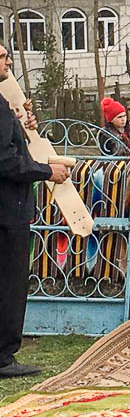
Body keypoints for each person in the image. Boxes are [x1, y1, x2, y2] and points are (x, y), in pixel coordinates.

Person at [0, 42, 69, 378]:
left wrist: (22, 125)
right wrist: (47, 171)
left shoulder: (3, 106)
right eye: (1, 57)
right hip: (7, 211)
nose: (8, 61)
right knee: (10, 283)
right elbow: (8, 161)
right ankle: (4, 356)